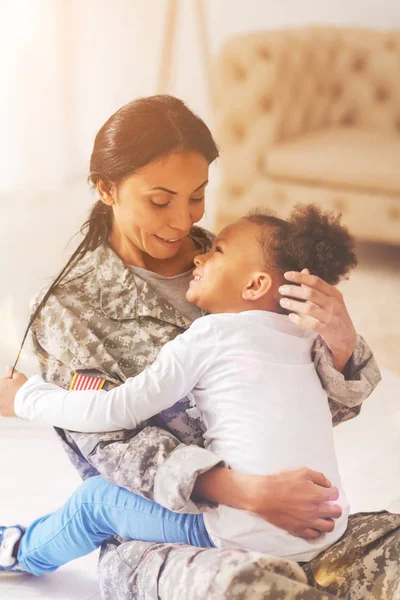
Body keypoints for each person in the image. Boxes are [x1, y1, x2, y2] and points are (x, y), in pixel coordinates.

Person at [0, 95, 396, 600]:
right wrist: (244, 493)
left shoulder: (242, 261)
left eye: (197, 195)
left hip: (296, 521)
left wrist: (339, 345)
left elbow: (296, 408)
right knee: (244, 589)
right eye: (160, 201)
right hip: (167, 536)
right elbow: (107, 439)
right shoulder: (68, 308)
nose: (183, 222)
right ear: (106, 189)